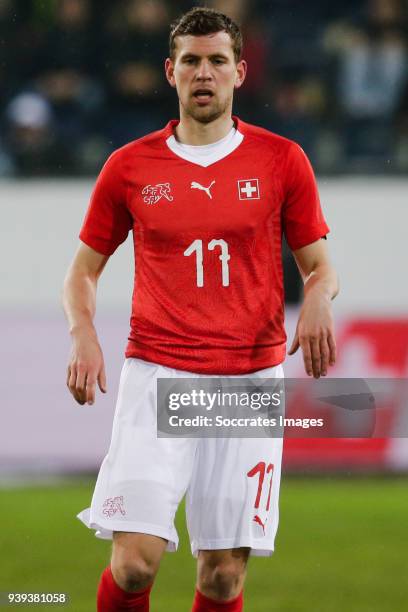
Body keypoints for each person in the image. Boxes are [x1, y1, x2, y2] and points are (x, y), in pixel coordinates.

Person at [63, 7, 338, 612]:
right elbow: (82, 272)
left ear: (240, 72)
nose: (204, 72)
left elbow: (320, 266)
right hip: (158, 372)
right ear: (171, 71)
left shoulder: (282, 160)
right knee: (134, 565)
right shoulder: (130, 166)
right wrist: (83, 333)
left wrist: (317, 298)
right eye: (191, 60)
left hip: (247, 381)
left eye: (217, 60)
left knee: (221, 579)